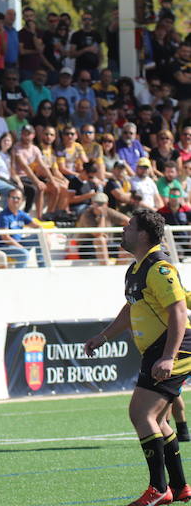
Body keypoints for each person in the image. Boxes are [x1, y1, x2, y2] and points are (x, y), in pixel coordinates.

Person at [84, 210, 191, 505]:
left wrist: (169, 356)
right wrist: (103, 336)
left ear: (143, 234)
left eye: (129, 225)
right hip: (159, 350)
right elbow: (130, 309)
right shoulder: (136, 269)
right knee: (157, 419)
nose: (123, 229)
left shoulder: (159, 268)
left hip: (173, 348)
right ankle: (180, 486)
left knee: (141, 414)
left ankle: (158, 489)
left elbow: (179, 312)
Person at [0, 188, 45, 268]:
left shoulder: (21, 214)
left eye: (18, 198)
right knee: (23, 254)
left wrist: (45, 236)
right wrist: (20, 247)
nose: (15, 200)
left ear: (22, 200)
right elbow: (5, 238)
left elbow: (37, 226)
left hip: (18, 242)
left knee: (40, 238)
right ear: (8, 199)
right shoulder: (3, 216)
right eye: (13, 198)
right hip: (4, 246)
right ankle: (20, 276)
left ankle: (43, 267)